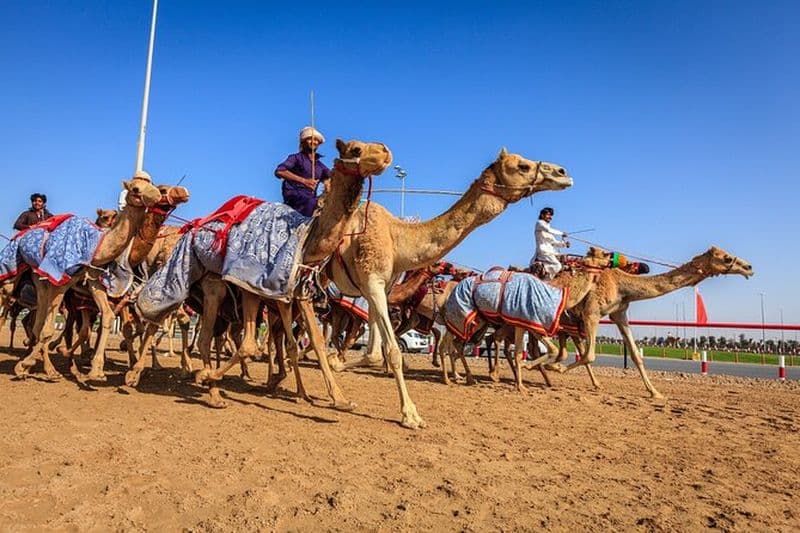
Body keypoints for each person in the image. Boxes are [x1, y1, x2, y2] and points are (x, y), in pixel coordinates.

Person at [274, 126, 332, 217]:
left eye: (316, 140)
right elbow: (279, 171)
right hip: (294, 197)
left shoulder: (320, 165)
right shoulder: (295, 158)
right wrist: (304, 181)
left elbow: (332, 175)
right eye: (310, 139)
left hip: (311, 198)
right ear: (303, 141)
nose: (314, 142)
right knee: (312, 202)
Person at [530, 207, 570, 279]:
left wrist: (564, 244)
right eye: (548, 215)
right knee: (558, 266)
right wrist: (561, 233)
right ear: (542, 215)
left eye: (551, 215)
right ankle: (541, 267)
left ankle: (545, 278)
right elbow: (548, 230)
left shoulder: (548, 230)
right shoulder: (539, 223)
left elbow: (554, 242)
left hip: (550, 252)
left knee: (559, 266)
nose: (550, 217)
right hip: (543, 251)